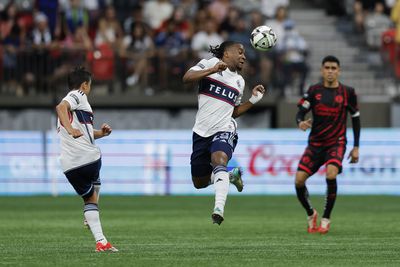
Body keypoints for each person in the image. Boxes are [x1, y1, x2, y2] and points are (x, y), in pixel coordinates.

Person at [182, 41, 266, 225]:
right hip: (201, 131)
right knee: (199, 182)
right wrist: (211, 70)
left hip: (225, 127)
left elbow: (233, 111)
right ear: (226, 54)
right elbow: (187, 77)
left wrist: (253, 100)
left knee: (219, 160)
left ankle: (218, 208)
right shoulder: (209, 63)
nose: (244, 56)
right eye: (240, 52)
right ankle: (230, 176)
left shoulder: (239, 81)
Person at [294, 56, 361, 234]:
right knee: (299, 181)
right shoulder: (313, 90)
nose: (330, 71)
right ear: (322, 70)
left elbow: (355, 119)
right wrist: (300, 122)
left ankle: (326, 218)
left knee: (331, 174)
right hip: (315, 144)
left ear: (339, 71)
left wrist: (356, 147)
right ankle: (311, 213)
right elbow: (301, 111)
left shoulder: (348, 92)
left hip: (336, 142)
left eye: (333, 68)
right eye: (327, 68)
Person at [56, 66, 118, 252]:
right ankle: (91, 214)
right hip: (87, 158)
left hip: (69, 165)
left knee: (89, 198)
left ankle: (101, 240)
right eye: (90, 85)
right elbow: (61, 107)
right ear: (84, 85)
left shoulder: (72, 112)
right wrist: (70, 129)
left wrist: (101, 133)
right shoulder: (78, 95)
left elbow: (84, 134)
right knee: (95, 163)